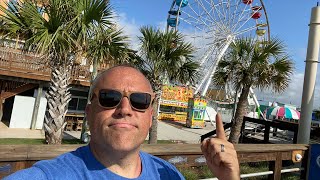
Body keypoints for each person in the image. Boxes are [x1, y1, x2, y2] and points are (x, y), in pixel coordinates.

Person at [5, 65, 240, 180]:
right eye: (110, 98)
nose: (125, 109)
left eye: (139, 101)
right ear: (89, 112)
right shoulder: (50, 176)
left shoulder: (168, 175)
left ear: (150, 116)